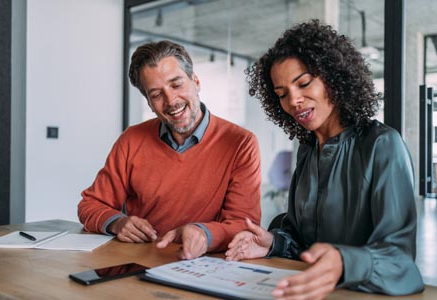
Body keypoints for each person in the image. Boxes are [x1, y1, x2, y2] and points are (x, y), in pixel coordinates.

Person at [225, 19, 424, 299]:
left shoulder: (381, 144)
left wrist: (344, 262)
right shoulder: (306, 149)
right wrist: (271, 243)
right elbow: (302, 241)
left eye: (304, 83)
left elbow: (400, 262)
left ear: (333, 77)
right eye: (282, 94)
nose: (294, 100)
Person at [78, 40, 261, 260]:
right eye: (156, 94)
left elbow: (244, 224)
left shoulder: (241, 143)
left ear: (196, 81)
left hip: (204, 264)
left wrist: (204, 234)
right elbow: (90, 205)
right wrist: (117, 223)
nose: (171, 101)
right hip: (137, 263)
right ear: (148, 102)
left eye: (176, 84)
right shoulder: (131, 140)